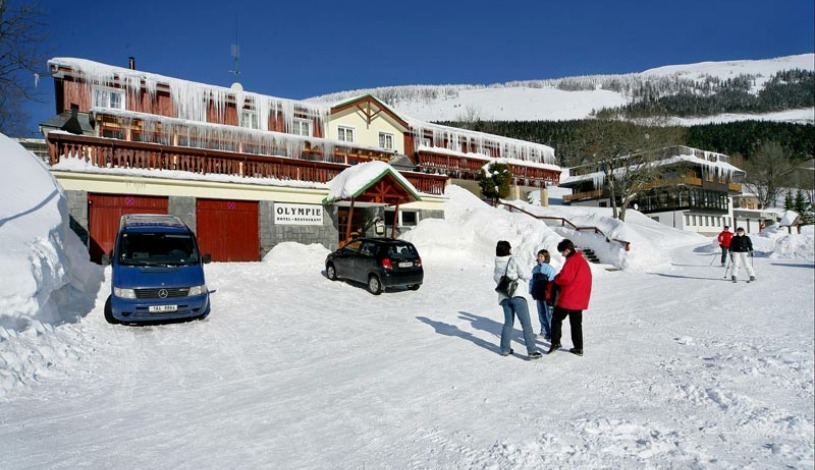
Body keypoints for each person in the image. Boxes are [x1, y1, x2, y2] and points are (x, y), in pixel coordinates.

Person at [494, 240, 542, 360]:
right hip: (517, 295)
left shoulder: (497, 263)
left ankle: (505, 349)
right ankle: (532, 351)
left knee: (508, 323)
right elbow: (526, 274)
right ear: (508, 249)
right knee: (526, 324)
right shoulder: (514, 259)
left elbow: (496, 279)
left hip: (504, 296)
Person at [548, 239, 593, 357]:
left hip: (569, 297)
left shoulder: (572, 261)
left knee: (556, 319)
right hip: (580, 298)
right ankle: (579, 348)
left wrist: (555, 280)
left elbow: (565, 278)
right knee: (576, 323)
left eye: (562, 252)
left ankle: (555, 342)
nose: (562, 254)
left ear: (567, 250)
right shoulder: (581, 260)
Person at [529, 249, 557, 340]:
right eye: (539, 256)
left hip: (547, 296)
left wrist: (551, 294)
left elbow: (553, 282)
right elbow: (532, 281)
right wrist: (531, 291)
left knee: (550, 315)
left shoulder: (549, 269)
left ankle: (553, 334)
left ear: (546, 257)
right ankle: (544, 332)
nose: (539, 258)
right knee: (541, 314)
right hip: (538, 295)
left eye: (541, 256)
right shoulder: (535, 269)